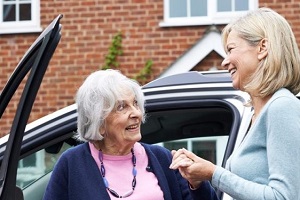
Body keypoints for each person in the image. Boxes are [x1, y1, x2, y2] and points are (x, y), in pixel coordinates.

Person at [170, 7, 300, 200]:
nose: (225, 61)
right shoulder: (253, 114)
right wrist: (198, 181)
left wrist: (214, 173)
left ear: (262, 48)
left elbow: (285, 197)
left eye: (231, 49)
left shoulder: (281, 107)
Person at [43, 69, 219, 200]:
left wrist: (196, 183)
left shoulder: (163, 159)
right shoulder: (71, 164)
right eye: (122, 107)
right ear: (99, 121)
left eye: (135, 104)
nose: (136, 112)